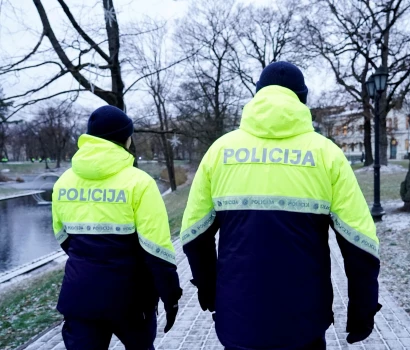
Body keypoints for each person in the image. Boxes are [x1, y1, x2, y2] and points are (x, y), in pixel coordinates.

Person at [180, 62, 381, 350]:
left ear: (258, 95)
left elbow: (193, 234)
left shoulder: (220, 152)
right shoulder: (327, 155)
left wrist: (211, 291)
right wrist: (362, 308)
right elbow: (360, 242)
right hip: (304, 321)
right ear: (302, 99)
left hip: (238, 317)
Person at [52, 105, 182, 350]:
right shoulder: (139, 183)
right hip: (131, 300)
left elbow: (63, 238)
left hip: (80, 296)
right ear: (126, 138)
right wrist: (170, 296)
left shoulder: (63, 183)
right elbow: (157, 250)